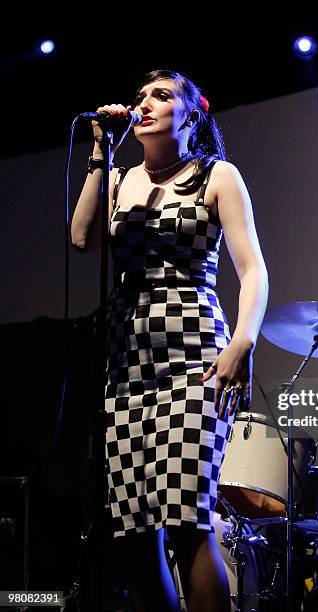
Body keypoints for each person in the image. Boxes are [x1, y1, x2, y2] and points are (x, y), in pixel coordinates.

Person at [71, 69, 269, 612]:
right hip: (126, 365)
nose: (145, 103)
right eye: (141, 96)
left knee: (187, 520)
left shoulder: (217, 175)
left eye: (162, 95)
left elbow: (252, 269)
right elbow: (82, 237)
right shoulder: (117, 178)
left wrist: (243, 343)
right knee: (135, 533)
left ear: (192, 114)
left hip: (194, 357)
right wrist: (100, 153)